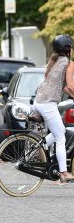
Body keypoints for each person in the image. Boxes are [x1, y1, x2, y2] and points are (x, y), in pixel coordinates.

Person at [34, 34, 74, 184]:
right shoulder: (69, 63)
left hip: (38, 101)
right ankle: (63, 172)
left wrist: (71, 95)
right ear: (68, 49)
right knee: (60, 138)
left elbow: (63, 86)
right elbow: (70, 85)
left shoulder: (54, 61)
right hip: (47, 104)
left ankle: (40, 145)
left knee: (60, 131)